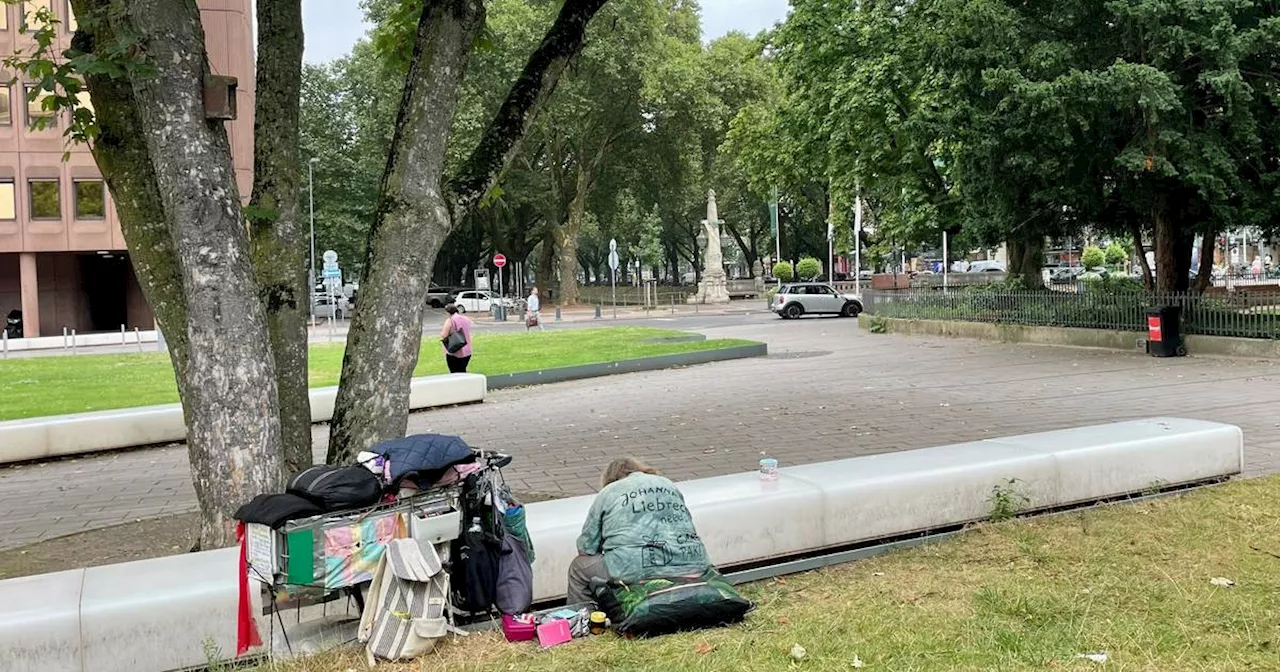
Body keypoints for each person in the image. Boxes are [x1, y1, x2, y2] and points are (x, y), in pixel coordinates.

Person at [567, 457, 711, 605]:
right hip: (692, 561)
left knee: (579, 568)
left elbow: (586, 548)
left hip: (637, 568)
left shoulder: (609, 492)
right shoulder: (668, 484)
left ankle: (585, 617)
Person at [440, 303, 472, 373]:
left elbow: (444, 335)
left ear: (448, 312)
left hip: (455, 350)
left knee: (454, 372)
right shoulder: (466, 319)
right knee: (462, 370)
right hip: (467, 350)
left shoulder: (450, 321)